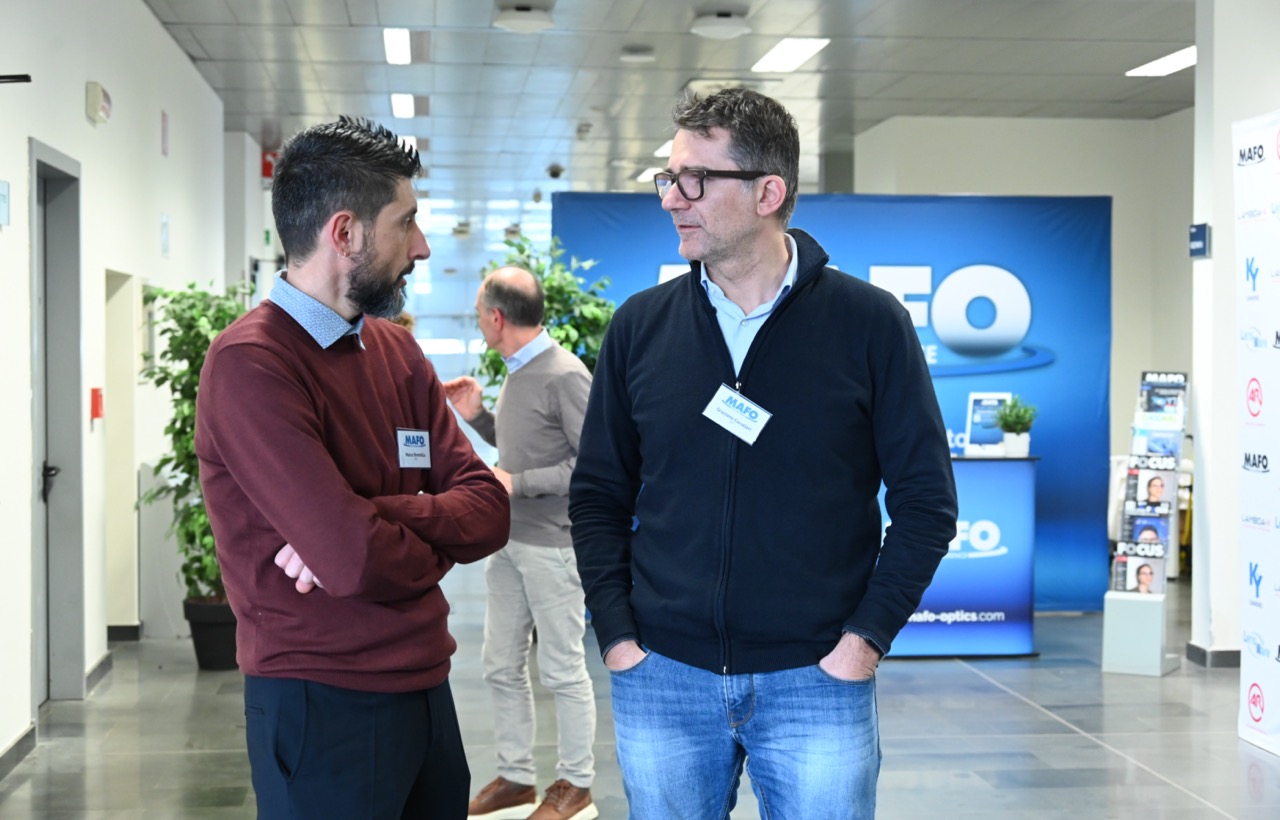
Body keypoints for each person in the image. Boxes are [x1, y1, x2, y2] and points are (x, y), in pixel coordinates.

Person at [568, 87, 958, 819]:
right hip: (663, 676)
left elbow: (927, 504)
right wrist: (618, 637)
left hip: (817, 678)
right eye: (669, 177)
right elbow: (596, 496)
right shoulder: (640, 327)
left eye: (695, 179)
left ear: (767, 193)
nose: (671, 198)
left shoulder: (870, 324)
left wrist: (863, 643)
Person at [195, 116, 511, 820]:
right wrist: (393, 533)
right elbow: (355, 560)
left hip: (426, 693)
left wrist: (378, 513)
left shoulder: (398, 353)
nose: (422, 247)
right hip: (320, 703)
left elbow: (489, 510)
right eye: (407, 223)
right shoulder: (252, 364)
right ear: (345, 233)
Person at [443, 267, 599, 820]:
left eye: (478, 312)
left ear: (496, 317)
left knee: (562, 670)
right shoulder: (518, 370)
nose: (478, 321)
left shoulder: (565, 374)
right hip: (509, 541)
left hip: (554, 548)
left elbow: (593, 466)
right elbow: (525, 449)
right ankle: (516, 777)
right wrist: (478, 418)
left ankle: (576, 784)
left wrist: (519, 483)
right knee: (500, 664)